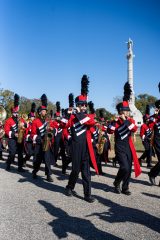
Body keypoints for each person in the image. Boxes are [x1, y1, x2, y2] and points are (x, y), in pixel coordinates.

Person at [65, 75, 98, 203]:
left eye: (85, 105)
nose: (84, 106)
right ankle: (69, 186)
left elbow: (91, 123)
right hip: (75, 145)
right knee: (75, 170)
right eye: (81, 105)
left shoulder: (87, 116)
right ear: (77, 105)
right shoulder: (72, 117)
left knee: (86, 171)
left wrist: (78, 113)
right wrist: (67, 113)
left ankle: (87, 194)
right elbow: (64, 125)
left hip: (86, 146)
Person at [107, 82, 141, 195]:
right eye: (125, 111)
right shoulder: (115, 122)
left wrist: (126, 120)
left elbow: (134, 129)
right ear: (120, 111)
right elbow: (109, 131)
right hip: (119, 147)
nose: (127, 112)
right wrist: (114, 122)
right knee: (125, 167)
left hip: (129, 146)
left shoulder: (129, 121)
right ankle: (117, 183)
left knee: (129, 169)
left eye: (127, 111)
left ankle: (125, 187)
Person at [31, 94, 54, 182]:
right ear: (40, 112)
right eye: (43, 111)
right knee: (38, 160)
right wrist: (39, 139)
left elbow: (53, 130)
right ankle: (34, 171)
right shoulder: (35, 121)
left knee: (47, 159)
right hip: (39, 143)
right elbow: (33, 133)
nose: (45, 112)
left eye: (45, 111)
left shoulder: (48, 120)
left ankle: (48, 175)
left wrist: (52, 129)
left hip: (47, 142)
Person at [4, 94, 26, 172]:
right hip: (12, 139)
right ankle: (8, 164)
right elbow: (6, 131)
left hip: (20, 139)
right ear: (12, 113)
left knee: (20, 154)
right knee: (12, 153)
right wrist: (14, 134)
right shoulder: (8, 120)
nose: (16, 114)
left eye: (17, 112)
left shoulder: (21, 119)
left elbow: (26, 126)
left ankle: (20, 167)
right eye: (14, 113)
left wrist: (24, 125)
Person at [148, 86, 160, 185]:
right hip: (157, 141)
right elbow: (150, 125)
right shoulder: (153, 118)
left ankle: (153, 174)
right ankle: (152, 173)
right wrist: (155, 116)